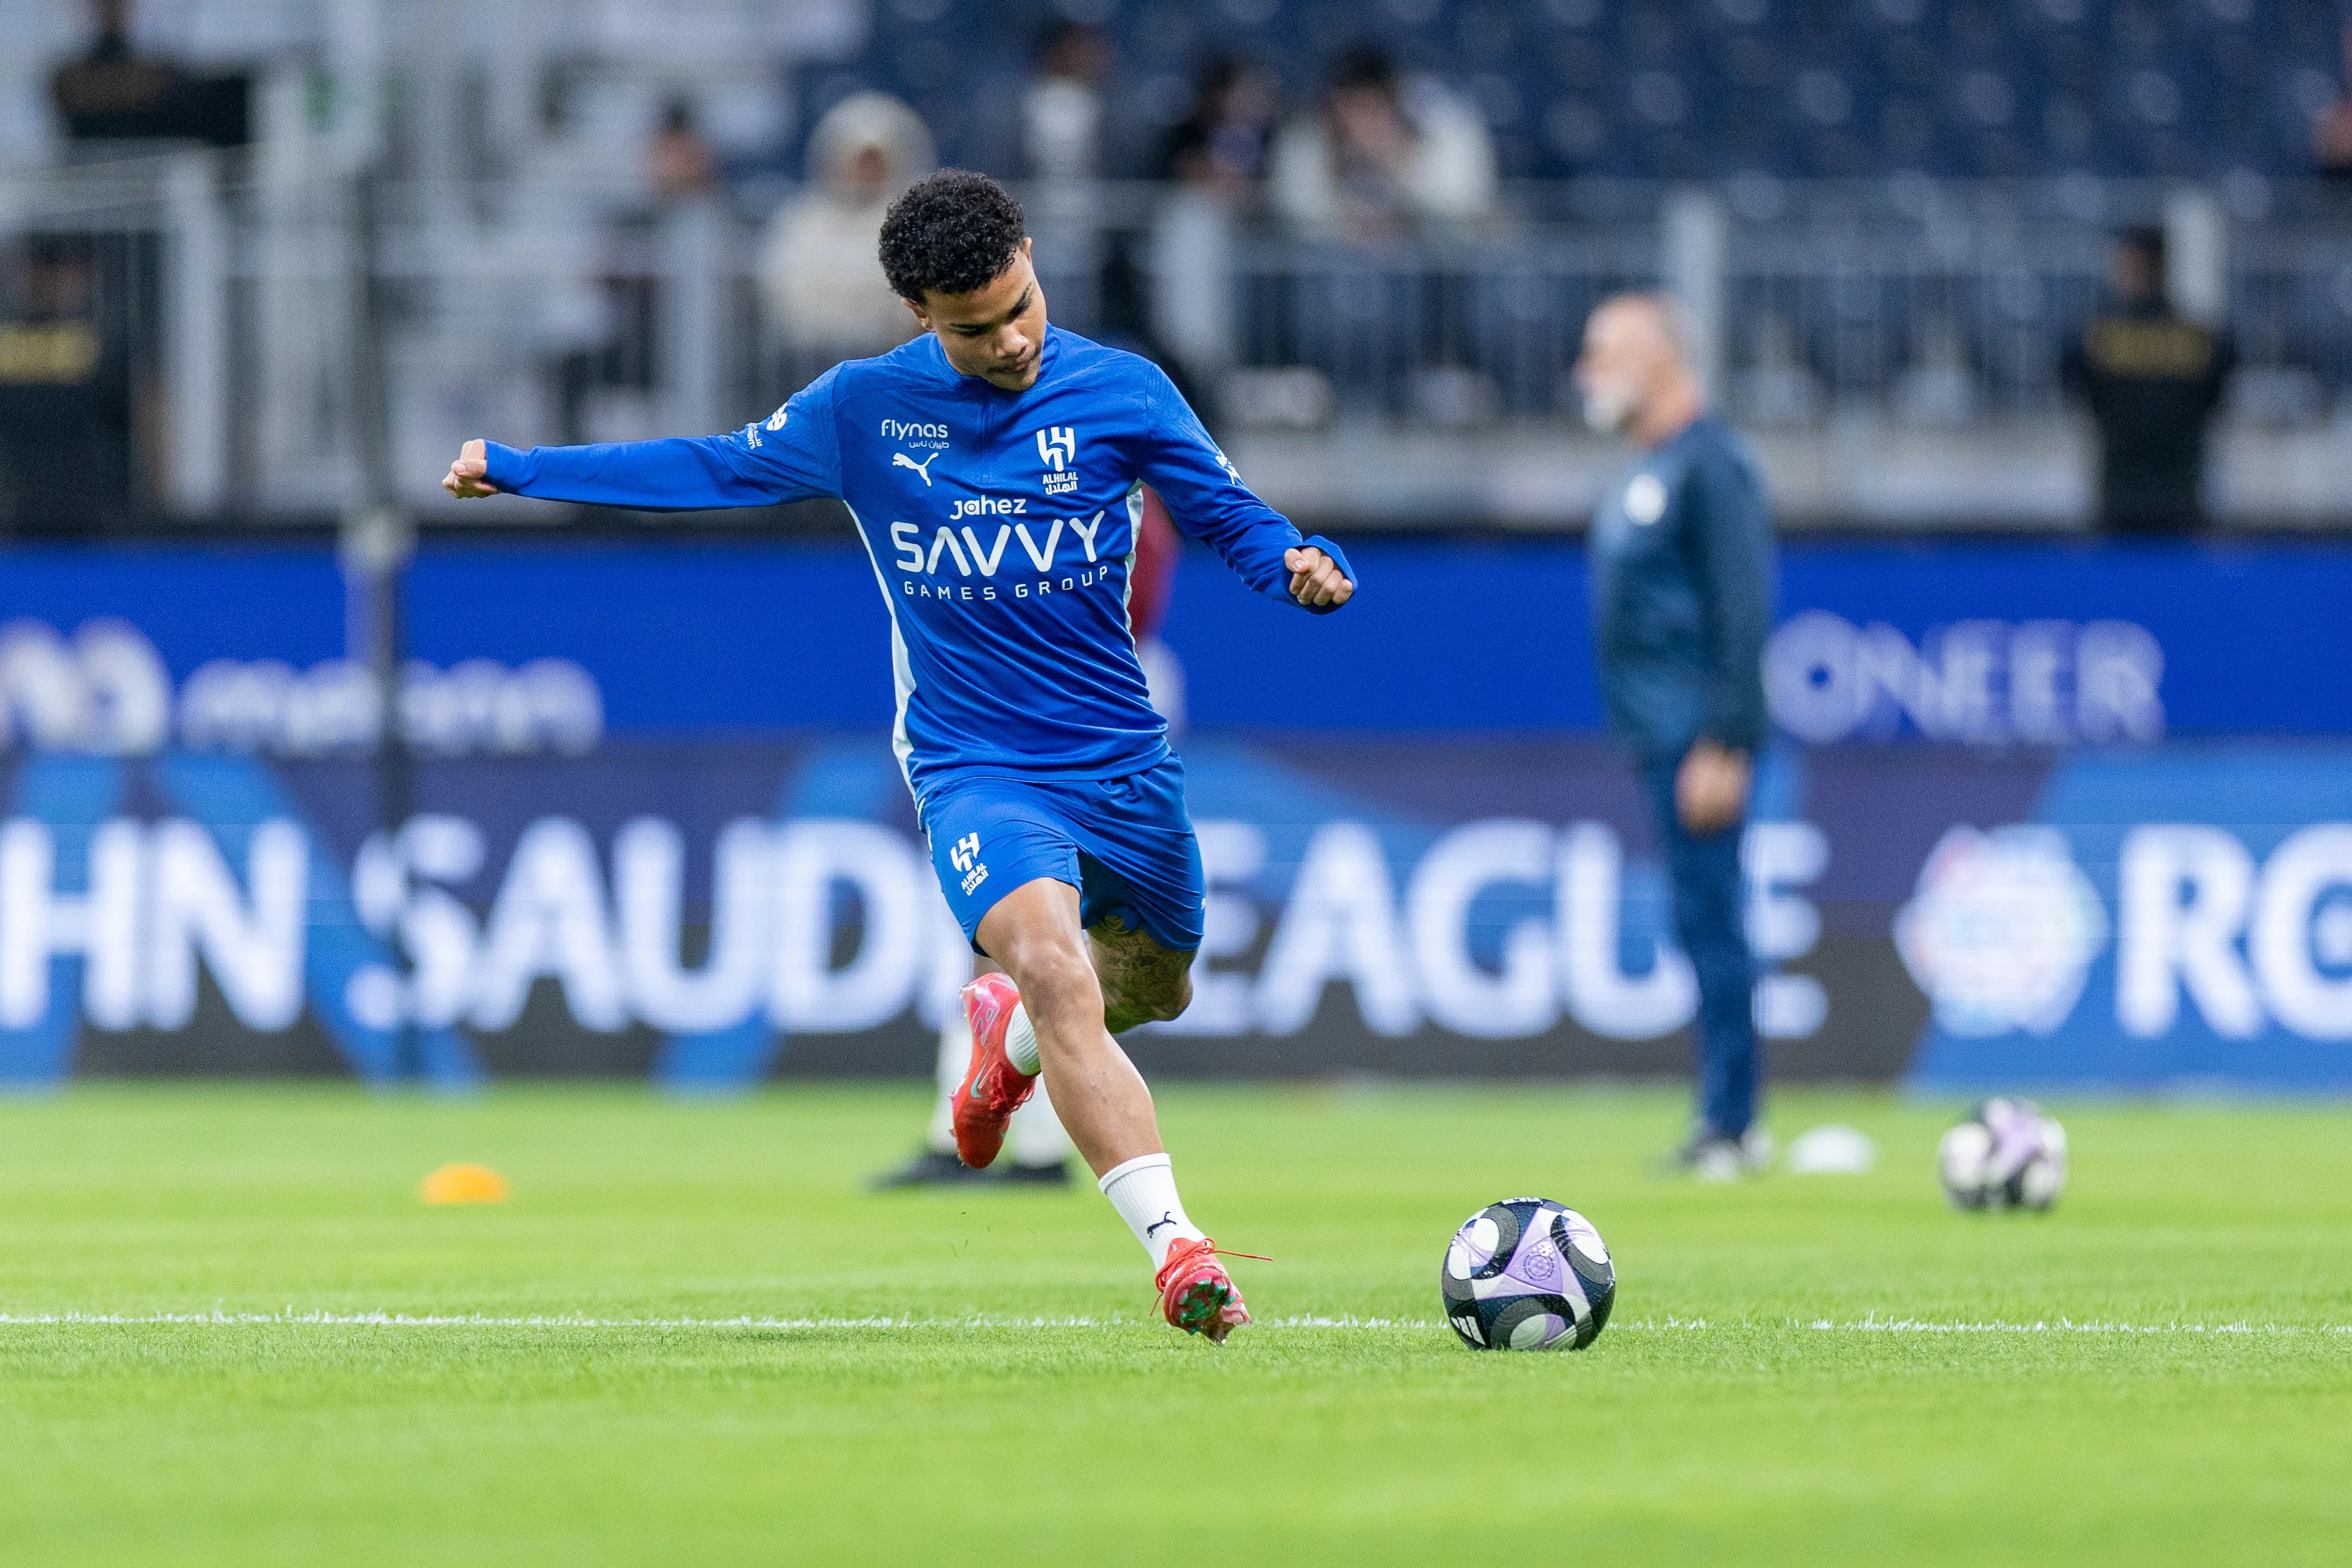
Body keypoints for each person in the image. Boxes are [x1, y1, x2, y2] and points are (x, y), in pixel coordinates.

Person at [442, 170, 1356, 1342]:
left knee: (1156, 986)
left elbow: (1225, 512)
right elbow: (712, 466)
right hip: (974, 761)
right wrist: (525, 467)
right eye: (973, 328)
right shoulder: (863, 411)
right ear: (918, 315)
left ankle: (1005, 1041)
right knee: (1054, 960)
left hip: (1118, 757)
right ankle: (1178, 1250)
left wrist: (1291, 562)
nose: (1011, 339)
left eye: (1020, 304)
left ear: (1028, 254)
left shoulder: (1121, 391)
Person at [871, 486, 1185, 1191]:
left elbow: (1108, 616)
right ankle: (994, 1129)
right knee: (1021, 936)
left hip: (1080, 714)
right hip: (1047, 708)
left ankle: (1007, 1134)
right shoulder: (1079, 487)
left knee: (1042, 938)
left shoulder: (1111, 497)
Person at [1572, 293, 1775, 1182]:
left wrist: (1727, 738)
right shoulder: (1647, 469)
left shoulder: (1711, 467)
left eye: (1599, 351)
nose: (1584, 372)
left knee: (1714, 921)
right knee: (1699, 922)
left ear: (1656, 360)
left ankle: (1733, 1123)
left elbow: (1742, 608)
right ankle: (1726, 1116)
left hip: (1697, 736)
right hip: (1660, 732)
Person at [2059, 229, 2233, 535]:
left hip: (2122, 489)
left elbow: (2081, 393)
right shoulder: (2202, 337)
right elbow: (2215, 398)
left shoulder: (2095, 337)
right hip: (2180, 488)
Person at [756, 92, 935, 389]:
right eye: (859, 161)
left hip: (890, 365)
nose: (867, 172)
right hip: (807, 365)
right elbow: (786, 297)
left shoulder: (919, 223)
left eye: (876, 161)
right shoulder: (802, 220)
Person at [1267, 45, 1496, 242]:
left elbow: (1457, 208)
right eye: (1346, 112)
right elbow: (1296, 215)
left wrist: (1400, 164)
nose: (1355, 126)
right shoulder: (1308, 134)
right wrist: (1334, 171)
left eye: (1367, 109)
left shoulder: (1443, 123)